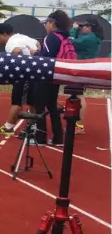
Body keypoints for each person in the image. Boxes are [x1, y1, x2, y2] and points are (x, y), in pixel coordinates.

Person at [0, 23, 41, 136]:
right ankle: (34, 125)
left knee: (17, 101)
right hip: (34, 72)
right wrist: (36, 51)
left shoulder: (10, 43)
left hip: (23, 74)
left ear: (4, 34)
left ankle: (9, 127)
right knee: (31, 101)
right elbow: (38, 43)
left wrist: (17, 61)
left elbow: (17, 51)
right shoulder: (22, 36)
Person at [35, 10, 71, 146]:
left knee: (40, 106)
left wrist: (36, 55)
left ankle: (40, 137)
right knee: (52, 106)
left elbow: (47, 58)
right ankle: (58, 138)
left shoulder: (51, 37)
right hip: (56, 75)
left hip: (46, 75)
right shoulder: (64, 37)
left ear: (53, 24)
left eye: (47, 23)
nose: (45, 26)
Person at [69, 18, 103, 134]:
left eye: (83, 26)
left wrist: (73, 30)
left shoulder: (89, 38)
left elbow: (71, 42)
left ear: (90, 27)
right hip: (83, 68)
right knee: (76, 94)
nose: (81, 28)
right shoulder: (91, 37)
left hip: (81, 69)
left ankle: (79, 125)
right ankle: (76, 123)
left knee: (79, 96)